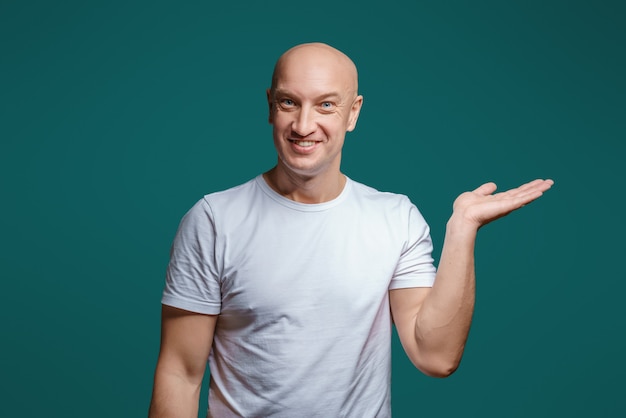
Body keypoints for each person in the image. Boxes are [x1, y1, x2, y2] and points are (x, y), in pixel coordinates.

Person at [148, 42, 553, 417]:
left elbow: (436, 356)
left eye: (326, 105)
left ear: (353, 112)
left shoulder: (396, 217)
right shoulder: (214, 220)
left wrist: (462, 229)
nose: (304, 125)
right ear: (270, 106)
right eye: (290, 102)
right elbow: (180, 373)